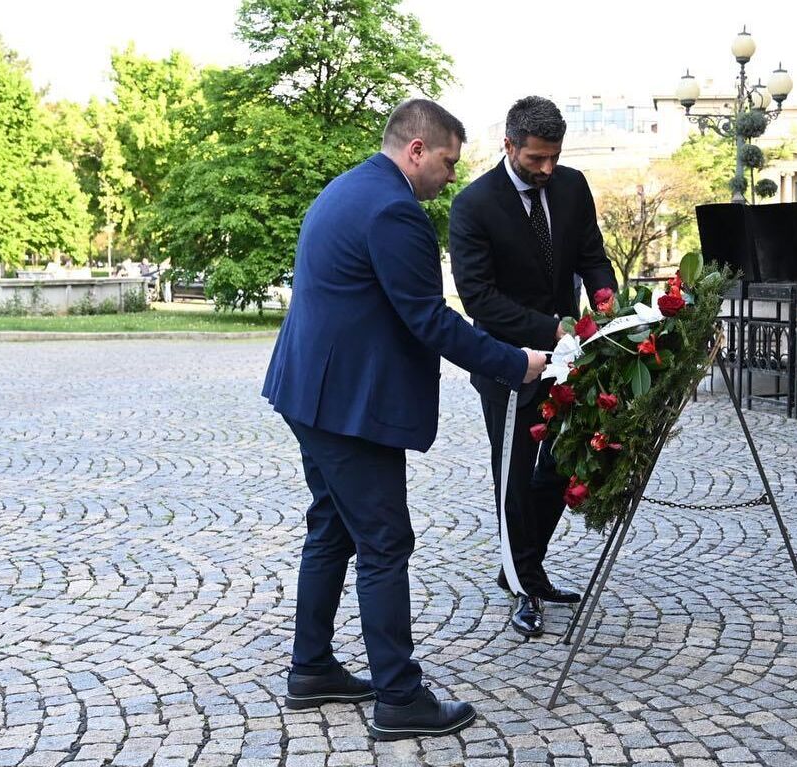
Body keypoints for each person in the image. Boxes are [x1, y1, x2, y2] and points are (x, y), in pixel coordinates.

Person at [261, 99, 547, 741]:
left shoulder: (349, 187)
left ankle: (312, 669)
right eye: (447, 162)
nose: (451, 177)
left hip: (312, 391)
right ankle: (399, 697)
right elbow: (430, 319)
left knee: (333, 525)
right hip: (345, 407)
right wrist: (515, 363)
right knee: (385, 542)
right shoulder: (394, 210)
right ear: (416, 149)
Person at [449, 96, 617, 638]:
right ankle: (524, 583)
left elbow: (590, 252)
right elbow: (479, 298)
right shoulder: (473, 205)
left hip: (569, 361)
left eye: (554, 158)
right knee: (514, 477)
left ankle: (521, 562)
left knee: (568, 462)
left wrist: (605, 295)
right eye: (535, 160)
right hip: (507, 363)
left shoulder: (571, 186)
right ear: (509, 145)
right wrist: (553, 330)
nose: (546, 169)